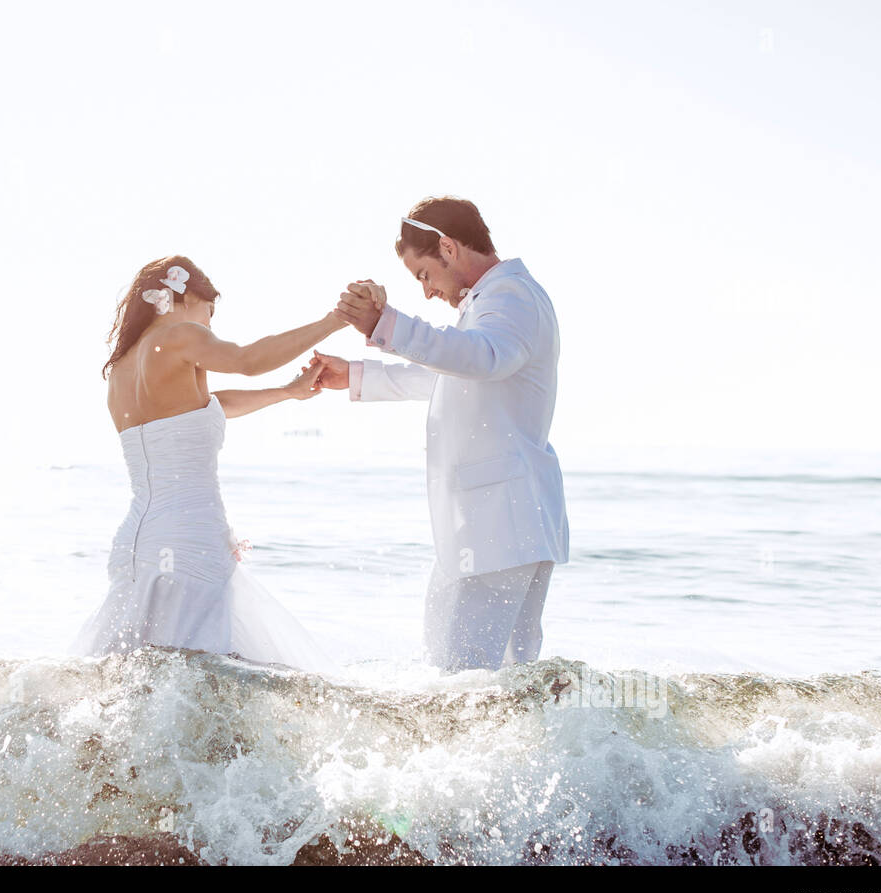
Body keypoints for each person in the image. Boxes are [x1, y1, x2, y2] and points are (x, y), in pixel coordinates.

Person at [310, 196, 569, 672]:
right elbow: (459, 373)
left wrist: (385, 323)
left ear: (448, 248)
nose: (427, 293)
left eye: (424, 275)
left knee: (458, 681)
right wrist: (358, 376)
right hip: (506, 525)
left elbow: (484, 358)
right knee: (506, 685)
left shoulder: (510, 297)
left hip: (496, 526)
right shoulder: (501, 301)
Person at [70, 255, 341, 672]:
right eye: (209, 313)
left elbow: (210, 406)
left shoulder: (123, 367)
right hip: (186, 539)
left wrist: (287, 392)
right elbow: (248, 359)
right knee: (202, 677)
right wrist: (335, 320)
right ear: (187, 296)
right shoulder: (180, 335)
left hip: (135, 545)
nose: (209, 328)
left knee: (137, 677)